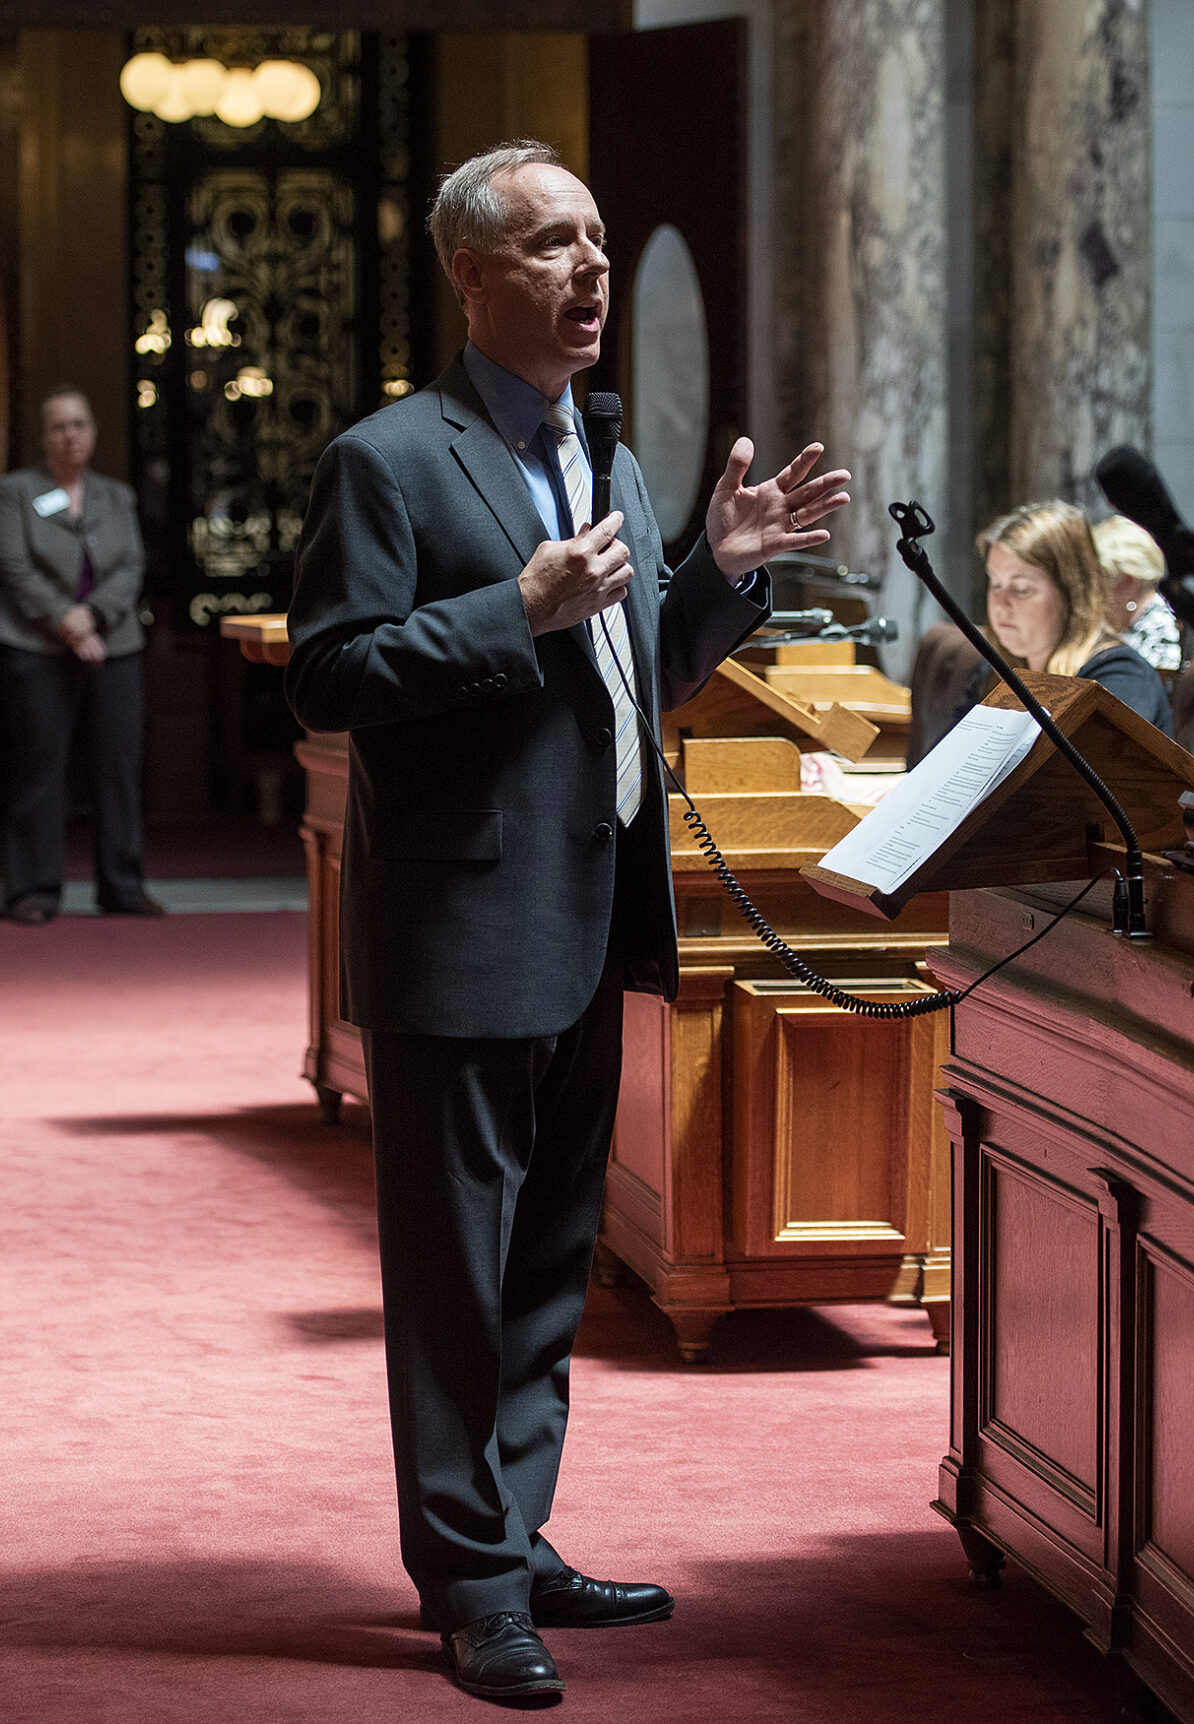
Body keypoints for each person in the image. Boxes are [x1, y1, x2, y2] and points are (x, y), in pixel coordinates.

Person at [283, 140, 850, 1705]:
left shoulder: (606, 450)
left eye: (598, 239)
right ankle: (467, 1584)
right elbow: (330, 680)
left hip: (599, 910)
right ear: (475, 276)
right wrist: (506, 613)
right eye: (554, 244)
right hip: (465, 923)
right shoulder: (391, 461)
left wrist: (717, 578)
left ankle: (513, 1533)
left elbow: (635, 670)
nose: (593, 270)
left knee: (550, 1263)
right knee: (455, 1273)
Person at [0, 386, 161, 922]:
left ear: (93, 432)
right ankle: (35, 891)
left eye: (80, 424)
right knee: (40, 767)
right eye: (60, 426)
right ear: (43, 437)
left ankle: (123, 886)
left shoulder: (117, 496)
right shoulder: (16, 492)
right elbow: (14, 566)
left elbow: (132, 565)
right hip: (36, 643)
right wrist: (66, 620)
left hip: (115, 644)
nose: (71, 435)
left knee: (118, 765)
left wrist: (95, 617)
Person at [975, 501, 1175, 736]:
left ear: (1072, 593)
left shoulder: (1120, 677)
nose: (1000, 604)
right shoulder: (996, 672)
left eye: (1021, 589)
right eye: (995, 584)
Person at [1093, 513, 1181, 670]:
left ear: (1128, 583)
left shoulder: (1160, 630)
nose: (1091, 595)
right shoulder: (1132, 623)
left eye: (1097, 583)